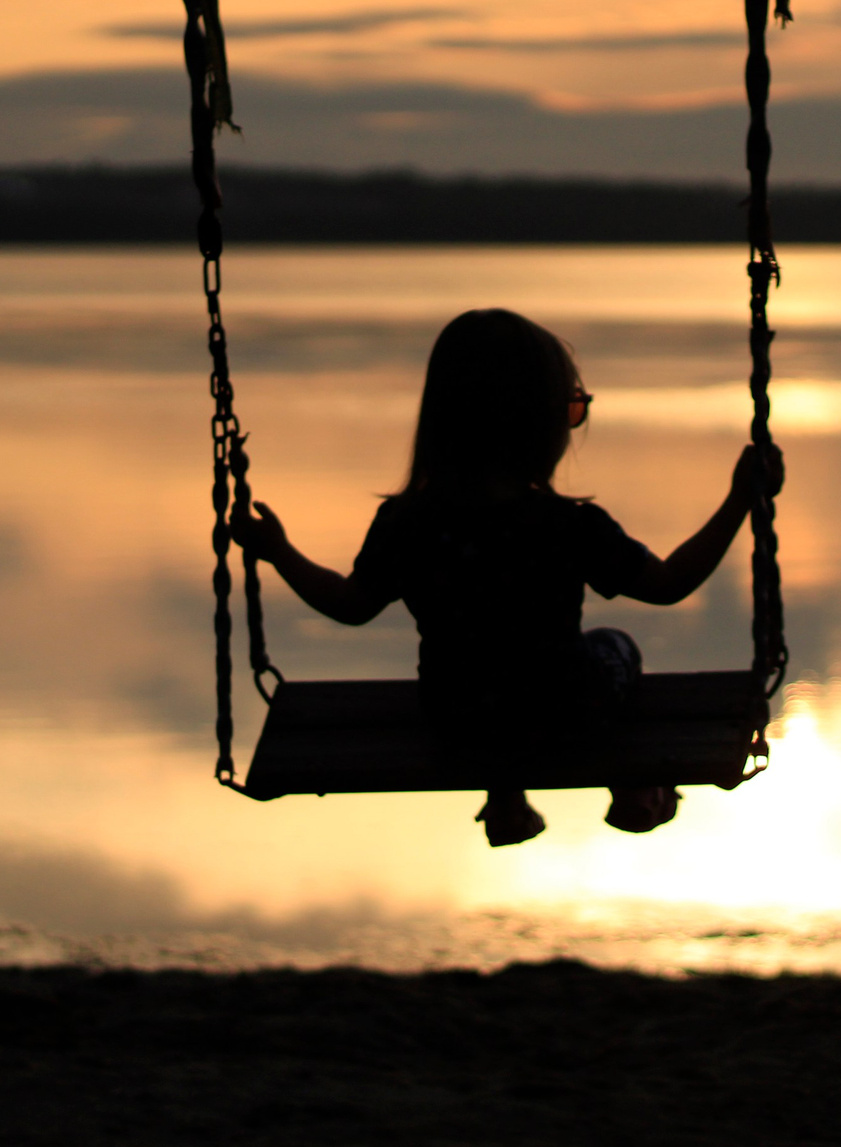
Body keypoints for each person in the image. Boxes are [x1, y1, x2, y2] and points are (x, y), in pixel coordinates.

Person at [233, 308, 783, 847]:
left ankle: (506, 794)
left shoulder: (409, 522)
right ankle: (634, 781)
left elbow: (350, 605)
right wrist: (740, 501)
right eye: (571, 409)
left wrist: (279, 552)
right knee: (617, 645)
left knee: (492, 676)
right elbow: (667, 585)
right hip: (563, 711)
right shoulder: (566, 526)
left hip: (457, 717)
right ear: (537, 425)